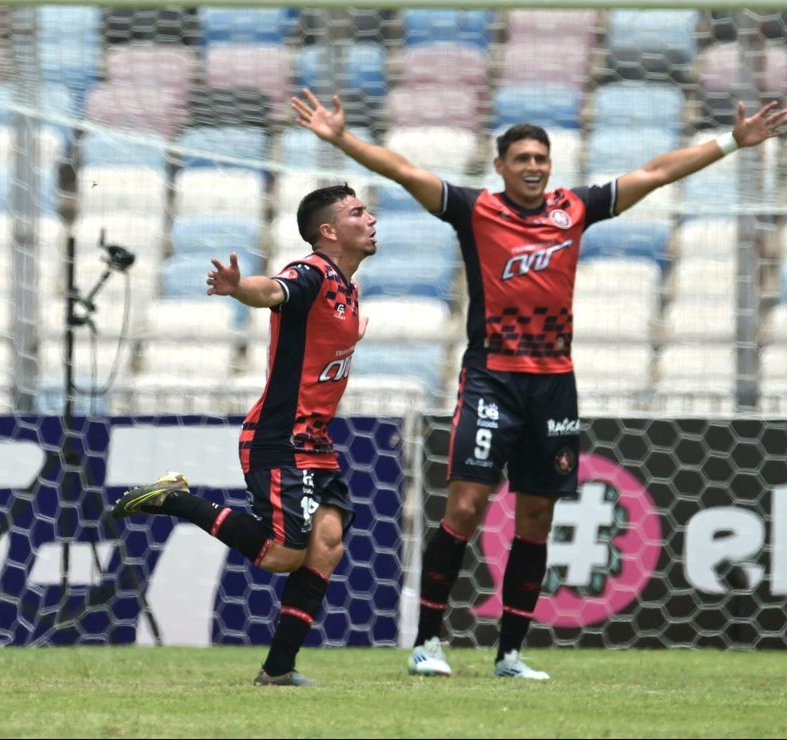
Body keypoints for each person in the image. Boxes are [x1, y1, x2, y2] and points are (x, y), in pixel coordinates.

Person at [292, 90, 787, 679]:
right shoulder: (476, 210)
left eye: (541, 158)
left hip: (554, 384)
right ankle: (428, 641)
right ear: (500, 166)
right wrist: (341, 139)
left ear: (550, 165)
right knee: (466, 506)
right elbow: (404, 171)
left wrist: (734, 141)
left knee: (536, 519)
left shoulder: (574, 209)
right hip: (491, 380)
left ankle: (511, 655)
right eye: (521, 158)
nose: (532, 166)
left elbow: (655, 173)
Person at [112, 184, 375, 686]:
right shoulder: (312, 272)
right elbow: (275, 291)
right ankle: (176, 501)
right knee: (283, 556)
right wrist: (239, 288)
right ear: (329, 231)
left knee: (328, 542)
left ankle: (277, 670)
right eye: (357, 212)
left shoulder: (345, 287)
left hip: (313, 441)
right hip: (280, 437)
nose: (370, 218)